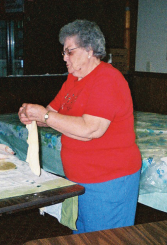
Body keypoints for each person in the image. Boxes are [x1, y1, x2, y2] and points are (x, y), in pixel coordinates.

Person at [18, 19, 141, 234]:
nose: (64, 57)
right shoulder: (73, 79)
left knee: (106, 239)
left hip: (108, 182)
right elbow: (52, 114)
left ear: (90, 50)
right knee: (82, 236)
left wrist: (44, 116)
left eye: (69, 51)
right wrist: (30, 114)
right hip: (80, 179)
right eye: (63, 52)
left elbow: (90, 130)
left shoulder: (108, 79)